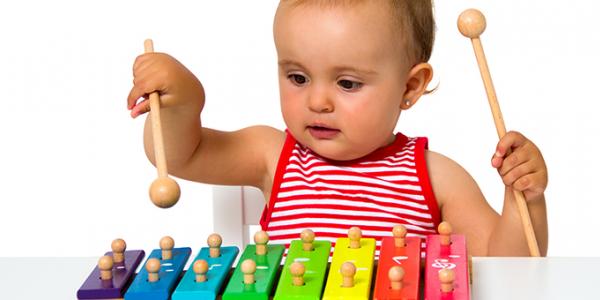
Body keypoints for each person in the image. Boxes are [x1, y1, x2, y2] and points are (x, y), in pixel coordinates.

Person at [127, 0, 548, 256]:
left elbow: (509, 268)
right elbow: (183, 155)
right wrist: (183, 103)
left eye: (347, 83)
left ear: (410, 86)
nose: (317, 101)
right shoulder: (271, 155)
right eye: (297, 77)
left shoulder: (435, 178)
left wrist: (524, 198)